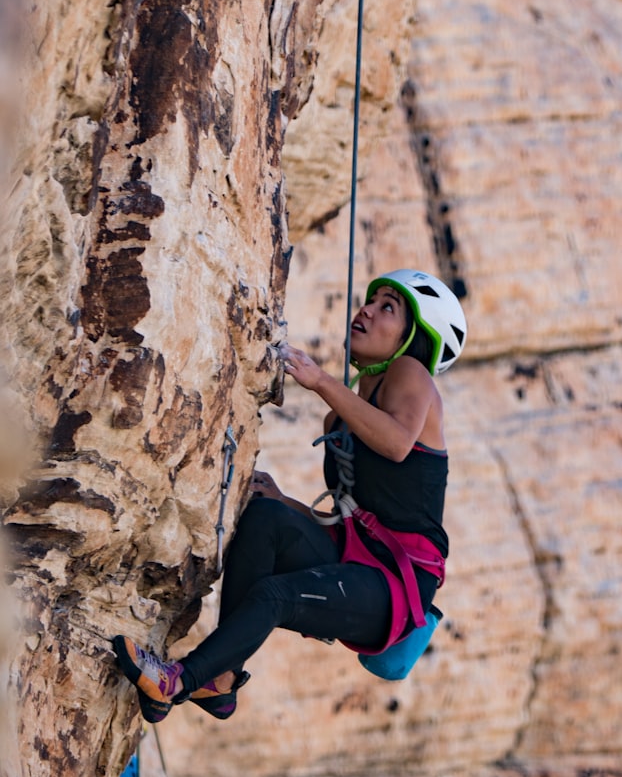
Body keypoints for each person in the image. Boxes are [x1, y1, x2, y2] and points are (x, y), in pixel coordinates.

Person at [113, 269, 467, 722]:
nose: (367, 310)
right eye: (372, 300)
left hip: (396, 587)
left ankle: (179, 680)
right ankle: (221, 679)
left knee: (275, 595)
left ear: (414, 336)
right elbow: (351, 517)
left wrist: (321, 382)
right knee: (264, 518)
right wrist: (285, 501)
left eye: (387, 308)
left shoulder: (410, 373)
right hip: (359, 557)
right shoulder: (342, 420)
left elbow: (398, 444)